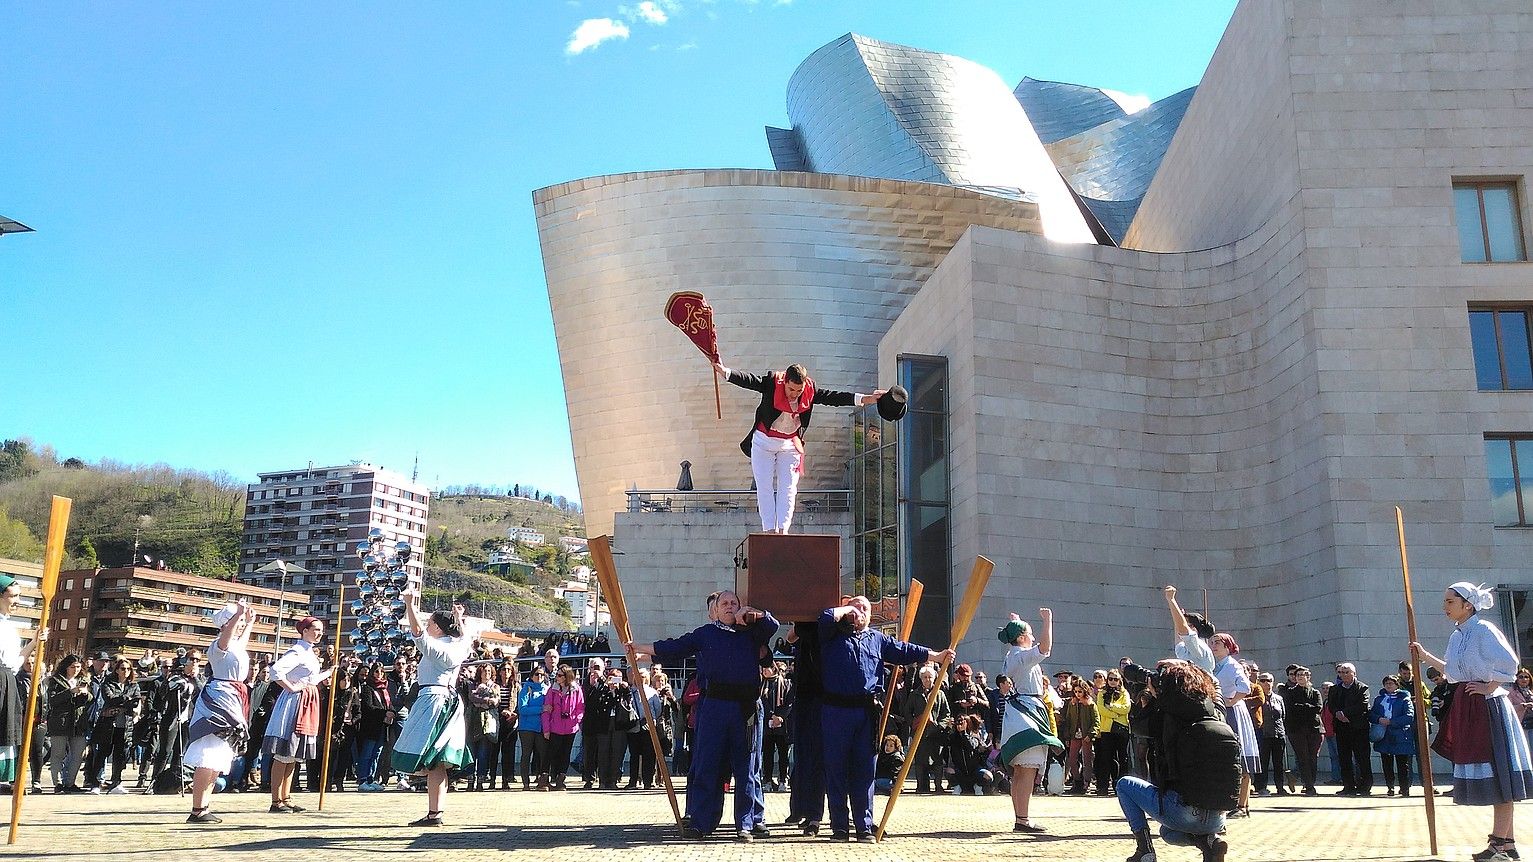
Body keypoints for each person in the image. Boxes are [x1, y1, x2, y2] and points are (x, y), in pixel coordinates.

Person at [629, 590, 779, 841]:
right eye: (725, 604)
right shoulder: (705, 634)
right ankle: (702, 822)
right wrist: (638, 647)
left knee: (746, 766)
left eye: (734, 603)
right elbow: (674, 647)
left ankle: (745, 824)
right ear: (716, 611)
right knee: (708, 764)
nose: (730, 607)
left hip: (745, 709)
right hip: (714, 707)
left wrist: (755, 614)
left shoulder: (753, 633)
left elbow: (772, 625)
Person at [1411, 582, 1533, 862]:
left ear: (1468, 604)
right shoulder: (1458, 636)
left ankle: (1501, 844)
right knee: (1493, 772)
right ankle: (1506, 843)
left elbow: (1510, 664)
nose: (1445, 607)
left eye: (1450, 601)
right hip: (1470, 706)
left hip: (1489, 708)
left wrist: (1490, 686)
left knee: (1499, 773)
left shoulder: (1483, 629)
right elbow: (1454, 672)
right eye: (1445, 601)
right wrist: (1424, 655)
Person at [817, 595, 952, 842]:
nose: (859, 612)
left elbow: (906, 650)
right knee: (836, 768)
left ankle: (864, 826)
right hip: (835, 711)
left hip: (866, 713)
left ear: (871, 615)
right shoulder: (832, 634)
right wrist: (847, 608)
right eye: (855, 607)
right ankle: (839, 826)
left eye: (864, 609)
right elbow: (825, 617)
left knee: (865, 769)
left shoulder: (878, 640)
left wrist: (936, 656)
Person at [714, 361, 884, 533]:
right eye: (791, 390)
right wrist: (725, 372)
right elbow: (750, 381)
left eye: (798, 391)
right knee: (764, 486)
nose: (794, 395)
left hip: (790, 444)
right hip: (763, 441)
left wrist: (865, 398)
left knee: (788, 488)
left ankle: (782, 530)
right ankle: (769, 530)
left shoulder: (810, 390)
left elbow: (833, 397)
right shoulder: (772, 382)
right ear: (785, 382)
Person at [1116, 660, 1238, 862]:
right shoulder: (1217, 713)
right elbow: (1215, 684)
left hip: (1183, 812)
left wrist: (1154, 697)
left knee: (1124, 785)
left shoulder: (1165, 715)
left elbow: (1137, 726)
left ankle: (1144, 851)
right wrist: (1189, 666)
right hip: (1218, 818)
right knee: (1168, 833)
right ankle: (1209, 842)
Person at [390, 588, 477, 825]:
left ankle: (434, 813)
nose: (428, 625)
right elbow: (465, 637)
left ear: (438, 628)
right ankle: (435, 813)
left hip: (433, 700)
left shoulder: (439, 649)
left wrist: (409, 604)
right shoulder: (458, 646)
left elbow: (418, 634)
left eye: (431, 623)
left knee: (429, 757)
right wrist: (459, 617)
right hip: (449, 700)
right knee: (437, 760)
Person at [185, 601, 256, 823]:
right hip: (220, 698)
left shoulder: (235, 645)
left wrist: (251, 621)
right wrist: (239, 615)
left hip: (233, 697)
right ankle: (197, 807)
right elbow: (230, 633)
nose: (241, 625)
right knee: (208, 753)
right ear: (227, 624)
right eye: (238, 622)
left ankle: (203, 805)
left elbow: (240, 638)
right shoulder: (219, 645)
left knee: (218, 756)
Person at [997, 609, 1061, 834]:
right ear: (1022, 637)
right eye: (1030, 634)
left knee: (1022, 769)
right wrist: (1048, 620)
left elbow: (1030, 645)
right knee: (1026, 769)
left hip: (1021, 712)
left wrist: (1015, 622)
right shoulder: (1020, 656)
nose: (1033, 637)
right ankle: (1022, 820)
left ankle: (1021, 818)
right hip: (1025, 714)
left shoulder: (1014, 655)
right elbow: (1045, 648)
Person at [263, 616, 332, 813]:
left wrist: (329, 672)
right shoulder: (298, 651)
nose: (319, 633)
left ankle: (286, 797)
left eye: (321, 630)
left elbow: (310, 679)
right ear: (305, 630)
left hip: (307, 701)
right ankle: (276, 800)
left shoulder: (308, 652)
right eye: (316, 629)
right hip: (295, 703)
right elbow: (276, 670)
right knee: (285, 751)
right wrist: (291, 688)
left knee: (293, 755)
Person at [0, 573, 47, 793]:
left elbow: (15, 663)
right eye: (14, 596)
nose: (18, 601)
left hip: (7, 681)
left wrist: (35, 642)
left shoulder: (8, 627)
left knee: (6, 734)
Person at [784, 618, 826, 834]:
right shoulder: (802, 627)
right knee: (801, 759)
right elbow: (790, 637)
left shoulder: (828, 627)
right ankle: (800, 808)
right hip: (804, 696)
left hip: (821, 697)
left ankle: (814, 815)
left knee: (817, 760)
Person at [1209, 633, 1259, 814]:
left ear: (1228, 646)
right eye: (1212, 643)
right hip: (1221, 710)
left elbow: (1245, 687)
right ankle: (1233, 802)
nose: (1214, 646)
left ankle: (1242, 804)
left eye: (1218, 643)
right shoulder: (1215, 666)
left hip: (1233, 713)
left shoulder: (1232, 665)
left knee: (1240, 755)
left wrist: (1231, 701)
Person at [87, 656, 141, 793]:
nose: (126, 671)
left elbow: (136, 702)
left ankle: (116, 782)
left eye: (129, 669)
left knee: (120, 754)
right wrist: (125, 700)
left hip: (125, 725)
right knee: (102, 753)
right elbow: (109, 698)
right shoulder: (108, 682)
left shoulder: (134, 685)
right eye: (123, 669)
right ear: (117, 670)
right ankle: (96, 783)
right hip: (109, 724)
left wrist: (123, 704)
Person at [900, 664, 952, 794]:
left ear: (934, 678)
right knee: (920, 761)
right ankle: (921, 787)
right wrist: (914, 724)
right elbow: (907, 712)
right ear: (921, 678)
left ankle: (939, 786)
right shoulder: (914, 694)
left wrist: (940, 726)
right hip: (920, 734)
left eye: (929, 677)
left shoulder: (940, 694)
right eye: (924, 677)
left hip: (936, 733)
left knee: (938, 761)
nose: (927, 679)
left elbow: (946, 713)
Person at [45, 654, 92, 793]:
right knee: (58, 754)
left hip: (79, 722)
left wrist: (86, 694)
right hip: (61, 722)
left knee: (78, 754)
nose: (76, 670)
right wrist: (70, 692)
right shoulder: (55, 681)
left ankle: (70, 782)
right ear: (66, 667)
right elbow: (52, 700)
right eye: (73, 667)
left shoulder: (84, 680)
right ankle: (57, 783)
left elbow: (91, 699)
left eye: (78, 667)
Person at [1326, 662, 1372, 796]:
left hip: (1358, 728)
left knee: (1362, 758)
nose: (1344, 675)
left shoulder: (1362, 688)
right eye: (1341, 672)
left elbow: (1363, 705)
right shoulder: (1335, 689)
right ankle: (1348, 786)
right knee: (1344, 758)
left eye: (1347, 672)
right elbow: (1331, 705)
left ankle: (1365, 786)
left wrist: (1345, 713)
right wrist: (1338, 714)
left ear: (1354, 673)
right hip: (1341, 729)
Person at [1370, 674, 1415, 797]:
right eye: (1386, 683)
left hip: (1401, 735)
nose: (1389, 685)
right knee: (1387, 763)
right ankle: (1390, 787)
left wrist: (1392, 722)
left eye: (1391, 683)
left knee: (1402, 764)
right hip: (1384, 736)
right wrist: (1379, 719)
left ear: (1397, 685)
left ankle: (1404, 789)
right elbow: (1371, 714)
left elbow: (1409, 716)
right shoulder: (1379, 699)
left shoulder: (1404, 699)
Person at [460, 662, 500, 791]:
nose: (486, 673)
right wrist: (486, 700)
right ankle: (470, 781)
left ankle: (481, 781)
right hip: (472, 721)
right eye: (484, 671)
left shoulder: (495, 686)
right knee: (471, 753)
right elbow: (472, 697)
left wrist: (482, 700)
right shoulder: (472, 684)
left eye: (489, 671)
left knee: (483, 753)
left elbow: (496, 701)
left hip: (487, 723)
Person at [542, 665, 584, 790]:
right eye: (557, 675)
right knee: (550, 753)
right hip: (555, 727)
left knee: (566, 753)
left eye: (560, 675)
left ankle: (561, 779)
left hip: (570, 727)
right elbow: (546, 710)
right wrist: (546, 729)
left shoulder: (576, 689)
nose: (557, 678)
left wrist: (577, 720)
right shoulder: (552, 690)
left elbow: (580, 707)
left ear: (567, 677)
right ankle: (544, 779)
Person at [355, 661, 395, 791]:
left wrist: (392, 713)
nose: (379, 674)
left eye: (381, 672)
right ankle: (363, 779)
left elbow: (389, 705)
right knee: (367, 753)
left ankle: (371, 778)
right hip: (371, 727)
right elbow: (368, 707)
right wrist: (385, 713)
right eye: (376, 671)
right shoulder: (368, 688)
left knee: (376, 754)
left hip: (382, 728)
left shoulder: (384, 689)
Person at [1093, 669, 1131, 795]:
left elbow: (1126, 708)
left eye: (1115, 679)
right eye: (1110, 679)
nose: (1113, 681)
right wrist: (1115, 714)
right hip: (1107, 729)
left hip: (1121, 729)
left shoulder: (1124, 692)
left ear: (1119, 680)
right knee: (1106, 758)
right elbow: (1101, 710)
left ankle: (1122, 787)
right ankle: (1103, 787)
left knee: (1122, 758)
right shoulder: (1102, 693)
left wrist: (1112, 708)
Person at [1162, 586, 1215, 674]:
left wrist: (1171, 600)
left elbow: (1184, 631)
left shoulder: (1199, 647)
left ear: (1194, 629)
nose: (1182, 627)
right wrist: (1178, 616)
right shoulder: (1184, 648)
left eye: (1188, 625)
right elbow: (1179, 636)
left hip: (1202, 687)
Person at [1061, 677, 1098, 795]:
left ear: (1085, 691)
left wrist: (1091, 733)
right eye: (1076, 691)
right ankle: (1077, 781)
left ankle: (1086, 782)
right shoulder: (1072, 704)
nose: (1077, 694)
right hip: (1074, 735)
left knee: (1087, 759)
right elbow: (1068, 720)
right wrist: (1067, 736)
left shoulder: (1090, 704)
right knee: (1072, 758)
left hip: (1086, 735)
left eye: (1080, 691)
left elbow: (1096, 721)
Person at [759, 661, 792, 792]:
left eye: (767, 669)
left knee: (783, 754)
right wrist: (772, 716)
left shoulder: (786, 684)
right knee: (767, 754)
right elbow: (762, 701)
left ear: (774, 669)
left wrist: (780, 717)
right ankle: (767, 780)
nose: (764, 671)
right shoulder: (762, 684)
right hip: (767, 725)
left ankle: (783, 779)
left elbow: (789, 702)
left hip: (782, 726)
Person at [1254, 671, 1288, 796]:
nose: (1266, 683)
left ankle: (1280, 787)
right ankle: (1262, 787)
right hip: (1263, 734)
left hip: (1278, 734)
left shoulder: (1278, 698)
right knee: (1263, 762)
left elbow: (1283, 716)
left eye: (1269, 680)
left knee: (1278, 762)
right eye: (1263, 680)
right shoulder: (1258, 698)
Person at [517, 665, 550, 790]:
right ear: (531, 676)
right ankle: (526, 783)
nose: (539, 676)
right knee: (526, 755)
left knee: (543, 754)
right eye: (537, 674)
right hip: (526, 728)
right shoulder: (526, 689)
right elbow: (523, 709)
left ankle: (542, 780)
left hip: (541, 727)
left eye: (542, 674)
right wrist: (541, 709)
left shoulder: (547, 689)